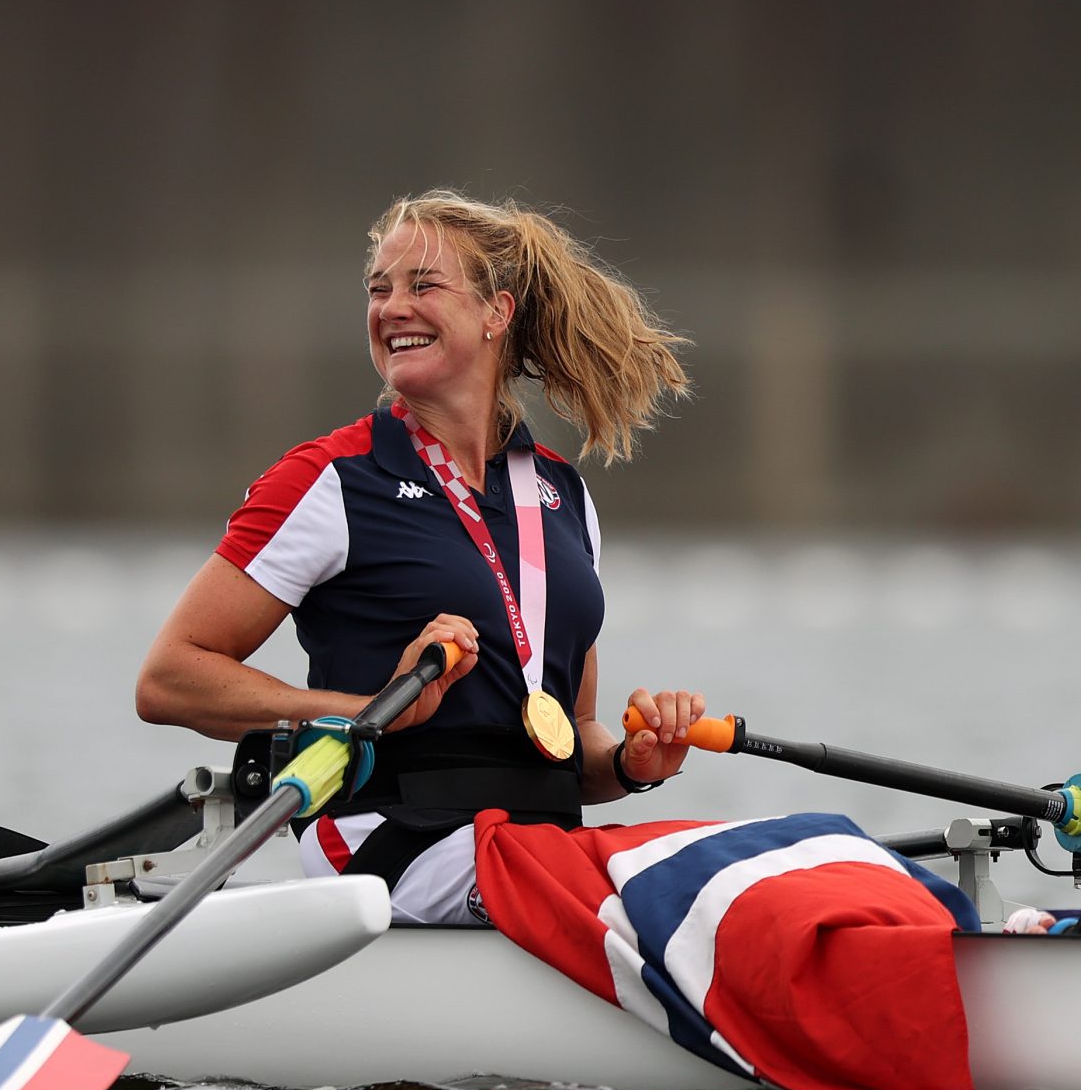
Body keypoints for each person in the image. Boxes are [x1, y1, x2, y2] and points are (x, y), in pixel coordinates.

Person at [135, 190, 701, 925]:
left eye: (422, 286)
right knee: (692, 903)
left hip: (540, 850)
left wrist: (631, 764)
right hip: (390, 847)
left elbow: (573, 739)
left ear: (496, 313)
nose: (391, 307)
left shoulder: (561, 495)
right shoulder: (331, 479)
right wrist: (366, 714)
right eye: (379, 289)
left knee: (762, 867)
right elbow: (169, 679)